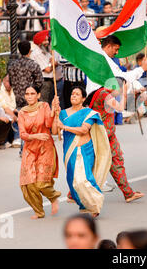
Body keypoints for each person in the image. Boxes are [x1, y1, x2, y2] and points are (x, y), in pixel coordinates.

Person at [52, 86, 111, 217]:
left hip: (85, 149)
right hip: (70, 150)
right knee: (73, 182)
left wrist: (65, 127)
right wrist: (54, 111)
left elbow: (84, 130)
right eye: (72, 94)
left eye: (77, 94)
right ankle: (85, 205)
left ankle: (95, 204)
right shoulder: (63, 113)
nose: (73, 96)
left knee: (84, 179)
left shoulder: (88, 113)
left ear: (83, 98)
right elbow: (55, 131)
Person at [85, 77, 144, 203]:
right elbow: (120, 108)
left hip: (106, 135)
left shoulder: (101, 92)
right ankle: (75, 194)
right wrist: (123, 93)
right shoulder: (104, 94)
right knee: (99, 164)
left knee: (114, 162)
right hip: (103, 136)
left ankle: (128, 193)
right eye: (122, 88)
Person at [18, 85, 60, 219]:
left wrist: (54, 111)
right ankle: (39, 211)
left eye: (32, 93)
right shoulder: (22, 112)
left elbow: (48, 124)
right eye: (27, 94)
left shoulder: (44, 106)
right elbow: (23, 134)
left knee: (41, 182)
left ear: (38, 95)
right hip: (30, 148)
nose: (29, 96)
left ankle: (53, 197)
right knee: (28, 182)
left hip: (45, 147)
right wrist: (36, 136)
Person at [7, 40, 44, 110]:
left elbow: (10, 81)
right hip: (30, 98)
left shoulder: (12, 65)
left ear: (19, 51)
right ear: (30, 50)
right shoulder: (34, 65)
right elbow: (40, 82)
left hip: (16, 97)